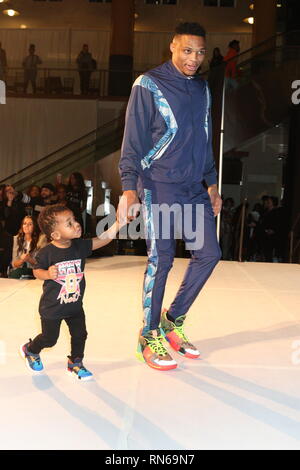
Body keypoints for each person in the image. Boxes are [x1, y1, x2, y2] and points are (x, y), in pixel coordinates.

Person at [118, 22, 222, 371]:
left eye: (200, 52)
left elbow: (205, 139)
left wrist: (211, 182)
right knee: (161, 258)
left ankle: (172, 319)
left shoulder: (203, 89)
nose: (194, 58)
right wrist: (129, 187)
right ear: (172, 47)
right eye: (188, 51)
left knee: (209, 253)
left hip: (193, 187)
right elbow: (132, 139)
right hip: (159, 185)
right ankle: (148, 336)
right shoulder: (148, 84)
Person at [20, 204, 122, 379]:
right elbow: (36, 271)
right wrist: (47, 274)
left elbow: (103, 239)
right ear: (56, 235)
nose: (76, 224)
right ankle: (31, 350)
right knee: (50, 339)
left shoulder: (79, 246)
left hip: (74, 305)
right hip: (52, 307)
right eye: (69, 223)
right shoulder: (46, 253)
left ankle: (75, 362)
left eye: (74, 219)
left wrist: (118, 224)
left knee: (80, 334)